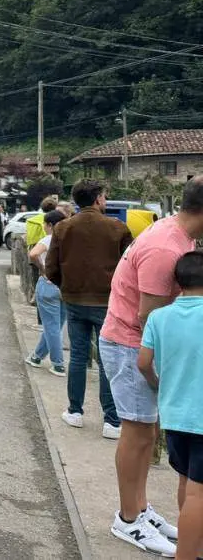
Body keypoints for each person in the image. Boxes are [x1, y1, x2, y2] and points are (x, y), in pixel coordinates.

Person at [99, 178, 203, 554]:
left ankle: (141, 508)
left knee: (147, 432)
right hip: (129, 345)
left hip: (132, 342)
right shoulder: (165, 247)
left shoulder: (178, 235)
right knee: (137, 432)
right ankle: (128, 519)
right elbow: (150, 317)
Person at [46, 179, 131, 440]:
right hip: (107, 301)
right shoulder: (118, 227)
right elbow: (130, 267)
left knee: (78, 357)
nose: (105, 200)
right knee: (108, 361)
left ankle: (75, 411)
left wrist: (67, 287)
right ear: (97, 199)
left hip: (74, 300)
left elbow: (51, 267)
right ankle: (112, 419)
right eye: (104, 196)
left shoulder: (63, 227)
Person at [139, 251, 203, 560]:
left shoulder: (158, 317)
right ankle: (187, 554)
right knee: (198, 492)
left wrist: (157, 383)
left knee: (186, 484)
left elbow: (143, 362)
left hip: (174, 415)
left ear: (177, 283)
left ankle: (193, 544)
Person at [25, 210, 69, 376]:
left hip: (49, 284)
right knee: (55, 326)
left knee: (51, 326)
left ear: (50, 225)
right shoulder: (71, 240)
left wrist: (43, 269)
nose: (43, 227)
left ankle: (58, 364)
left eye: (45, 224)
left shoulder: (49, 239)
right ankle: (37, 356)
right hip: (65, 286)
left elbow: (33, 254)